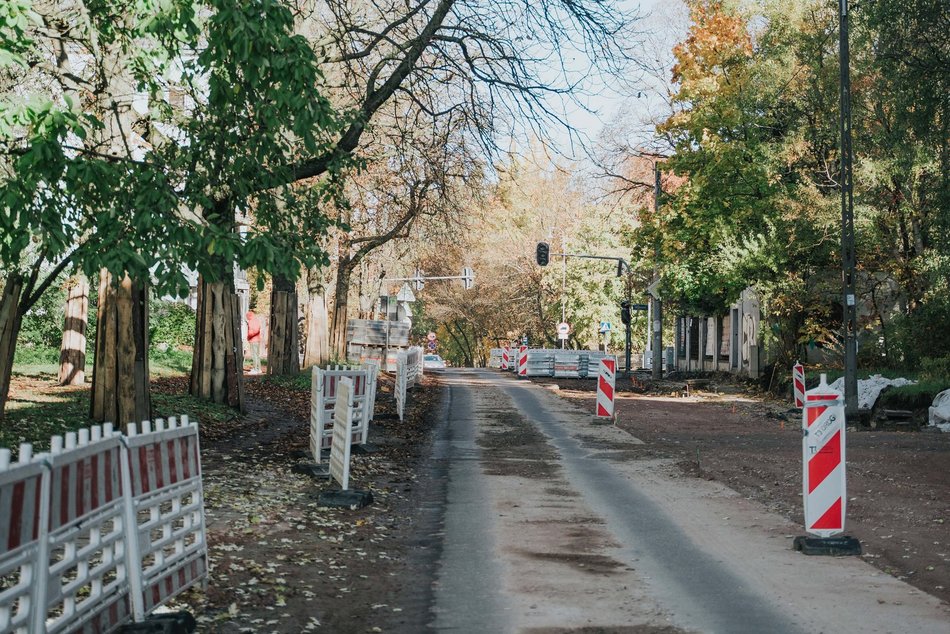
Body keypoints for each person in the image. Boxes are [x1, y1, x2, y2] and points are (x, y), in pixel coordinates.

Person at [246, 309, 262, 374]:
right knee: (257, 355)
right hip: (257, 340)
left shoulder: (251, 321)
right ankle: (259, 369)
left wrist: (248, 337)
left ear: (249, 316)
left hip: (253, 340)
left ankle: (255, 369)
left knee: (254, 355)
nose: (247, 317)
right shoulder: (256, 320)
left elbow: (252, 331)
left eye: (247, 316)